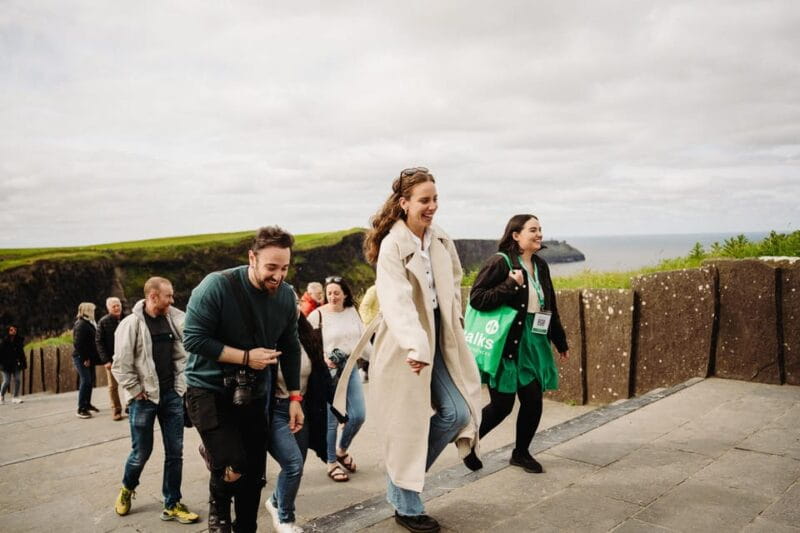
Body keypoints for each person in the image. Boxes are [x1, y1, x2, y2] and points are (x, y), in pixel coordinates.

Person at [361, 167, 483, 533]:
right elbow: (396, 301)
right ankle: (407, 502)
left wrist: (455, 318)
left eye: (435, 199)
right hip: (404, 343)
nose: (432, 206)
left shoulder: (440, 239)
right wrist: (415, 345)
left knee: (458, 412)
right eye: (424, 200)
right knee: (408, 427)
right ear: (404, 203)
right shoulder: (392, 245)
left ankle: (402, 479)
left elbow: (456, 278)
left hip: (441, 334)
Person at [183, 226, 303, 533]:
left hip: (254, 393)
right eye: (271, 268)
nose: (278, 276)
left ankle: (247, 526)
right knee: (233, 461)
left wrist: (294, 397)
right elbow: (193, 339)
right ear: (252, 258)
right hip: (207, 389)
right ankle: (218, 506)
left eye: (285, 268)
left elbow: (290, 347)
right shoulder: (216, 286)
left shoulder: (287, 297)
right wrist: (247, 357)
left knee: (254, 473)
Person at [464, 214, 569, 474]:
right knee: (502, 406)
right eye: (533, 229)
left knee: (533, 401)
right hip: (507, 344)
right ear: (515, 235)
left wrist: (559, 339)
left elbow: (550, 305)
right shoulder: (500, 263)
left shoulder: (541, 265)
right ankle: (468, 443)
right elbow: (477, 298)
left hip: (534, 342)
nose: (539, 234)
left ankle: (521, 453)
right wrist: (511, 284)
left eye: (540, 229)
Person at [111, 277, 200, 524]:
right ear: (152, 296)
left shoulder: (172, 320)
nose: (172, 300)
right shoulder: (131, 325)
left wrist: (180, 387)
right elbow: (120, 365)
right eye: (168, 296)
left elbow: (182, 356)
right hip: (143, 399)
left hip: (171, 395)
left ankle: (171, 503)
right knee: (141, 452)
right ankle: (127, 488)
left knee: (175, 452)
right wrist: (136, 390)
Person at [264, 294, 333, 533]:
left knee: (297, 464)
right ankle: (285, 518)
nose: (290, 308)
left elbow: (320, 376)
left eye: (293, 304)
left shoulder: (307, 336)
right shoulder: (267, 338)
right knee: (292, 464)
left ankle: (274, 501)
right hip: (275, 410)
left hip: (301, 408)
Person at [307, 276, 371, 483]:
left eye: (336, 293)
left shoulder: (352, 312)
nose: (332, 297)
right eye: (329, 293)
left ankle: (342, 450)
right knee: (331, 422)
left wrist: (380, 361)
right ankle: (332, 462)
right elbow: (306, 343)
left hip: (350, 369)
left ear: (345, 294)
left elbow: (364, 343)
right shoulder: (317, 315)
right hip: (328, 375)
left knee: (358, 415)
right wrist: (323, 359)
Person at [96, 297, 125, 420]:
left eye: (118, 305)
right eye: (114, 306)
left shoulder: (127, 319)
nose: (117, 308)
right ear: (108, 308)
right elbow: (99, 342)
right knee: (113, 386)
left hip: (127, 357)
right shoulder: (103, 322)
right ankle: (116, 410)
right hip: (112, 359)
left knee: (131, 382)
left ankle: (131, 406)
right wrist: (106, 360)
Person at [72, 302, 100, 418]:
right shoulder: (81, 324)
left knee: (90, 380)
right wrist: (85, 358)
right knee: (86, 381)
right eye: (92, 310)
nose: (94, 312)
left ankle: (87, 404)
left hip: (88, 357)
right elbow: (78, 344)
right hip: (81, 357)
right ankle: (81, 408)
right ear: (87, 311)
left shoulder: (88, 323)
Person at [0, 325, 27, 404]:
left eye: (15, 329)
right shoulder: (3, 341)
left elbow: (21, 353)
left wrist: (23, 363)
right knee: (6, 381)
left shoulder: (19, 341)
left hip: (16, 364)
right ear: (8, 331)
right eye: (11, 330)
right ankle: (1, 396)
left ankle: (15, 397)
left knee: (18, 380)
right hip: (5, 365)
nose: (14, 331)